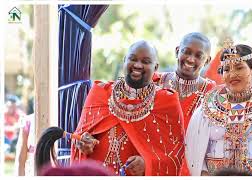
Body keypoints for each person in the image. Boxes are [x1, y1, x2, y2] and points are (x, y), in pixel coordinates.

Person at [70, 40, 185, 176]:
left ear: (155, 67)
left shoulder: (166, 101)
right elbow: (79, 138)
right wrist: (83, 144)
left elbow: (175, 156)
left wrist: (147, 164)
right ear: (124, 60)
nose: (137, 65)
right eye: (132, 59)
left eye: (146, 61)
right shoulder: (100, 93)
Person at [185, 39, 252, 176]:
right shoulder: (207, 107)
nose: (232, 74)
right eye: (226, 69)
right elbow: (193, 150)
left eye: (239, 67)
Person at [154, 32, 216, 129]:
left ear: (207, 61)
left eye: (198, 56)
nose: (191, 59)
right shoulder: (156, 81)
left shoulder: (211, 92)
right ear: (177, 51)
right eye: (186, 52)